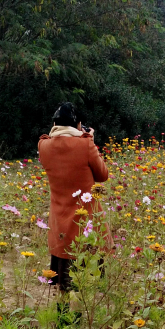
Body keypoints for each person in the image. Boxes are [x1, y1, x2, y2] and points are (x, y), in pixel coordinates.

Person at [38, 102, 112, 291]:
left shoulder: (43, 145)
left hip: (60, 221)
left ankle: (64, 315)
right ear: (78, 125)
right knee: (86, 281)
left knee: (64, 281)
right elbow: (103, 175)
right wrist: (89, 139)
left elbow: (54, 140)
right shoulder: (85, 144)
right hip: (85, 221)